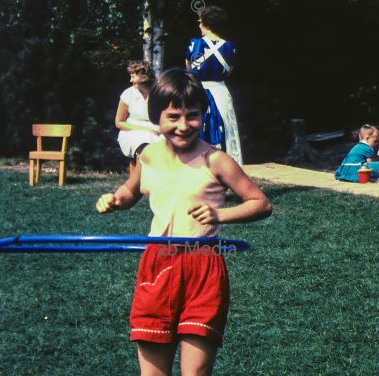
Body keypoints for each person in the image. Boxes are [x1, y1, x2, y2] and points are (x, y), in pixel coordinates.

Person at [96, 68, 272, 375]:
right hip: (157, 262)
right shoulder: (148, 156)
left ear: (203, 115)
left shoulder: (215, 160)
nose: (183, 125)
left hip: (203, 264)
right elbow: (130, 190)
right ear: (157, 118)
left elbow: (261, 203)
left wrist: (220, 215)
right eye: (173, 116)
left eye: (192, 116)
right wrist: (114, 199)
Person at [185, 5, 243, 165]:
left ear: (205, 23)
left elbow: (189, 69)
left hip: (197, 92)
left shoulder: (194, 44)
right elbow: (229, 71)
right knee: (226, 130)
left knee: (195, 128)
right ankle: (227, 168)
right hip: (220, 91)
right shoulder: (230, 47)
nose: (198, 25)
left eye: (200, 21)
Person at [115, 60, 163, 175]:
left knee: (164, 146)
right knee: (141, 144)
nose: (130, 80)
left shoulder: (160, 93)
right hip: (132, 129)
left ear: (144, 77)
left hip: (157, 129)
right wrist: (146, 129)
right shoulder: (128, 94)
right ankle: (135, 186)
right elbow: (119, 122)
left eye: (133, 76)